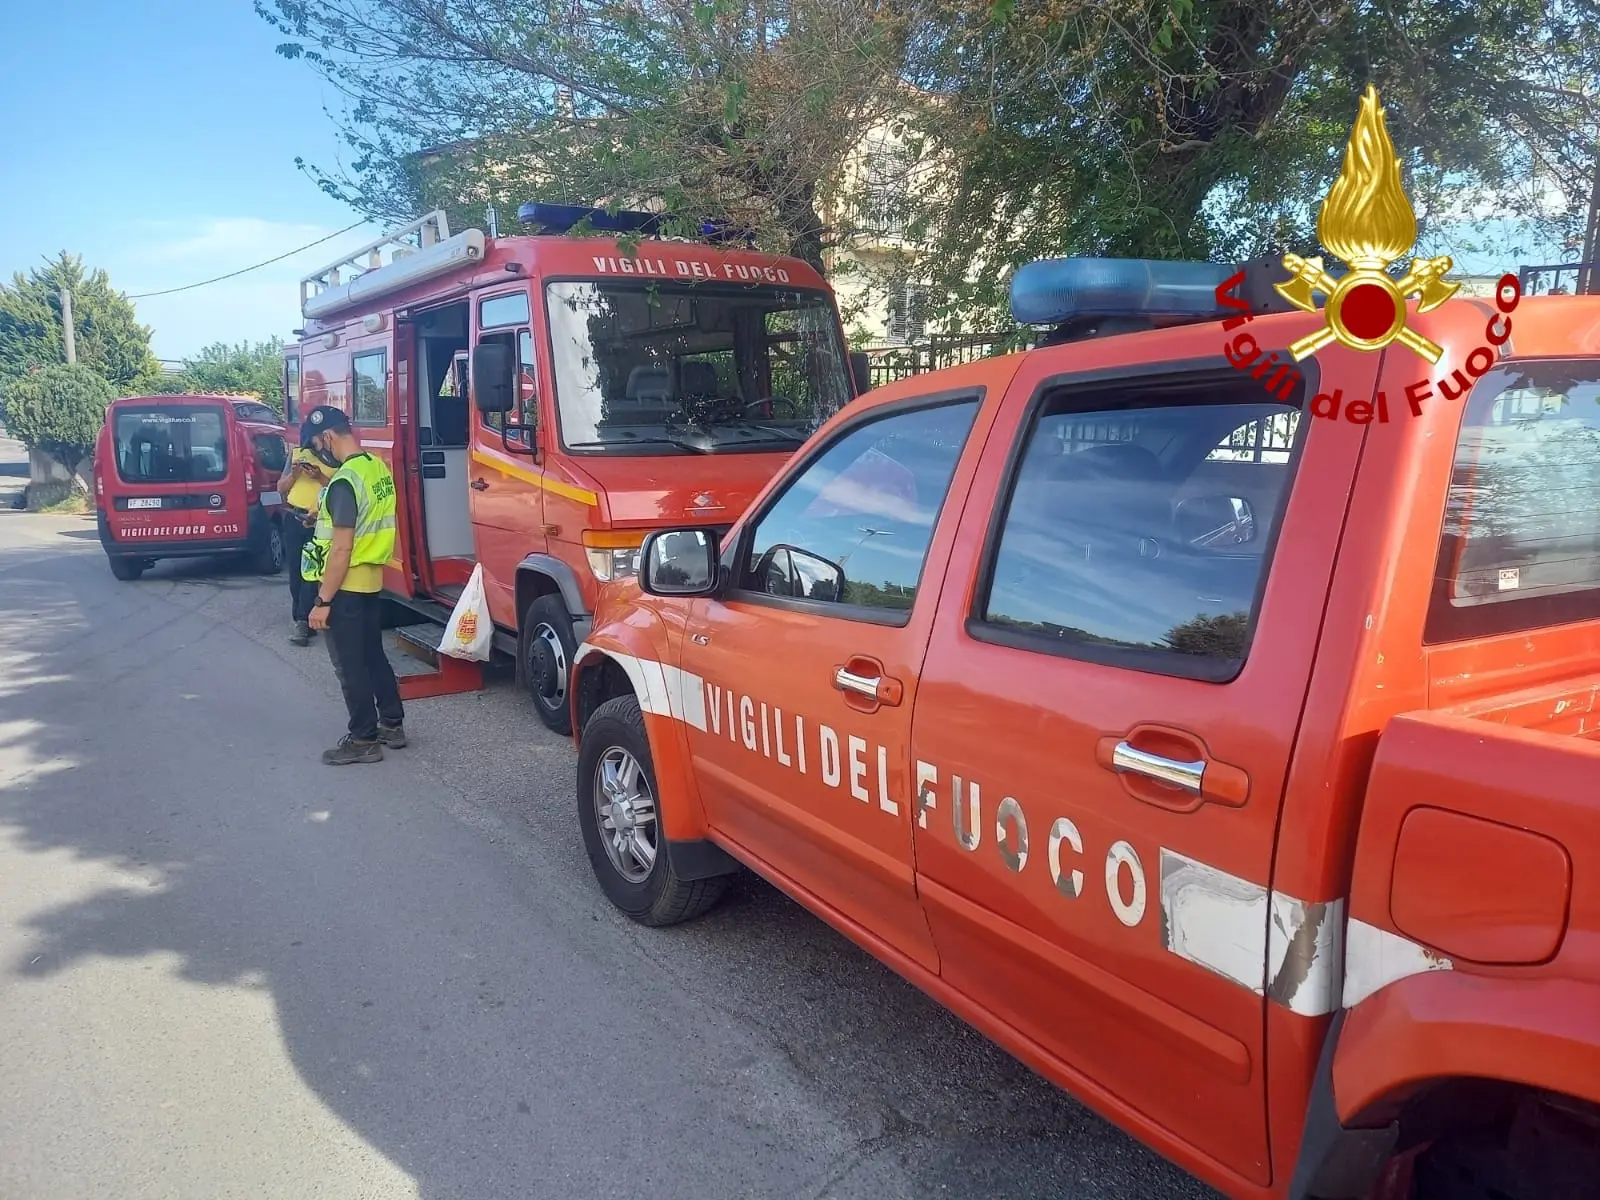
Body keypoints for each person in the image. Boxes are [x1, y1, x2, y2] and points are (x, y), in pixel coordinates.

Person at [299, 405, 407, 765]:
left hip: (344, 585)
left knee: (350, 665)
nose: (319, 450)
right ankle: (392, 722)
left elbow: (342, 547)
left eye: (317, 443)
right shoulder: (375, 468)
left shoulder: (344, 481)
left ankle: (363, 740)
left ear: (327, 437)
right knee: (373, 655)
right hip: (371, 582)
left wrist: (322, 601)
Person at [278, 436, 338, 646]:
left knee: (313, 571)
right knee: (296, 570)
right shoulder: (296, 453)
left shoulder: (336, 457)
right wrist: (294, 475)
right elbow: (281, 487)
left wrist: (319, 477)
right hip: (295, 517)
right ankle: (301, 618)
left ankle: (305, 620)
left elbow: (340, 489)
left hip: (320, 521)